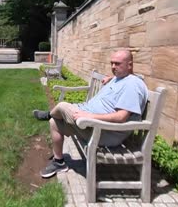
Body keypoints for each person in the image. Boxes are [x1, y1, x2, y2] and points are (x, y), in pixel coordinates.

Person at [33, 50, 148, 178]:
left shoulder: (132, 85)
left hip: (104, 131)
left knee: (62, 106)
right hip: (93, 124)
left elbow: (121, 117)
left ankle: (50, 113)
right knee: (54, 123)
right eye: (112, 63)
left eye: (117, 64)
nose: (113, 67)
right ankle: (59, 162)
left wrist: (89, 116)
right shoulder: (122, 78)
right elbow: (134, 76)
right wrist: (112, 78)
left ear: (130, 65)